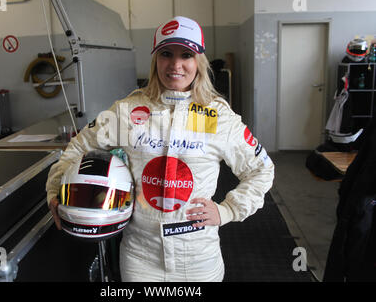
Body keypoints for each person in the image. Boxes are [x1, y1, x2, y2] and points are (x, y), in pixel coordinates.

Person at [46, 16, 274, 282]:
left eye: (186, 55)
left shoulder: (219, 117)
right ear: (156, 59)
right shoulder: (128, 111)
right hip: (140, 256)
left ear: (198, 62)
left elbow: (261, 169)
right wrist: (54, 190)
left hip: (199, 257)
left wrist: (228, 210)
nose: (176, 65)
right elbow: (76, 149)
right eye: (166, 54)